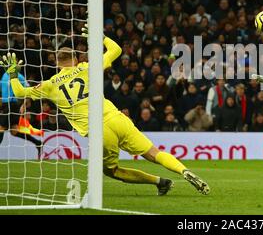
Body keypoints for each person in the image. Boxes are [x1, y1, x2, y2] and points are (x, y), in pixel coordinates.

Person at [2, 27, 210, 196]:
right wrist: (101, 37)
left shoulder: (49, 85)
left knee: (111, 171)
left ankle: (158, 182)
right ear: (75, 60)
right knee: (154, 153)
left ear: (57, 63)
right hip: (118, 117)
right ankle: (182, 170)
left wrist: (12, 74)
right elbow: (117, 50)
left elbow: (20, 92)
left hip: (100, 131)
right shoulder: (86, 67)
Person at [0, 70, 43, 157]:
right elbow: (3, 90)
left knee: (1, 127)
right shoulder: (4, 75)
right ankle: (38, 143)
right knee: (14, 131)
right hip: (5, 105)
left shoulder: (19, 76)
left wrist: (24, 104)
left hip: (12, 104)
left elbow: (27, 89)